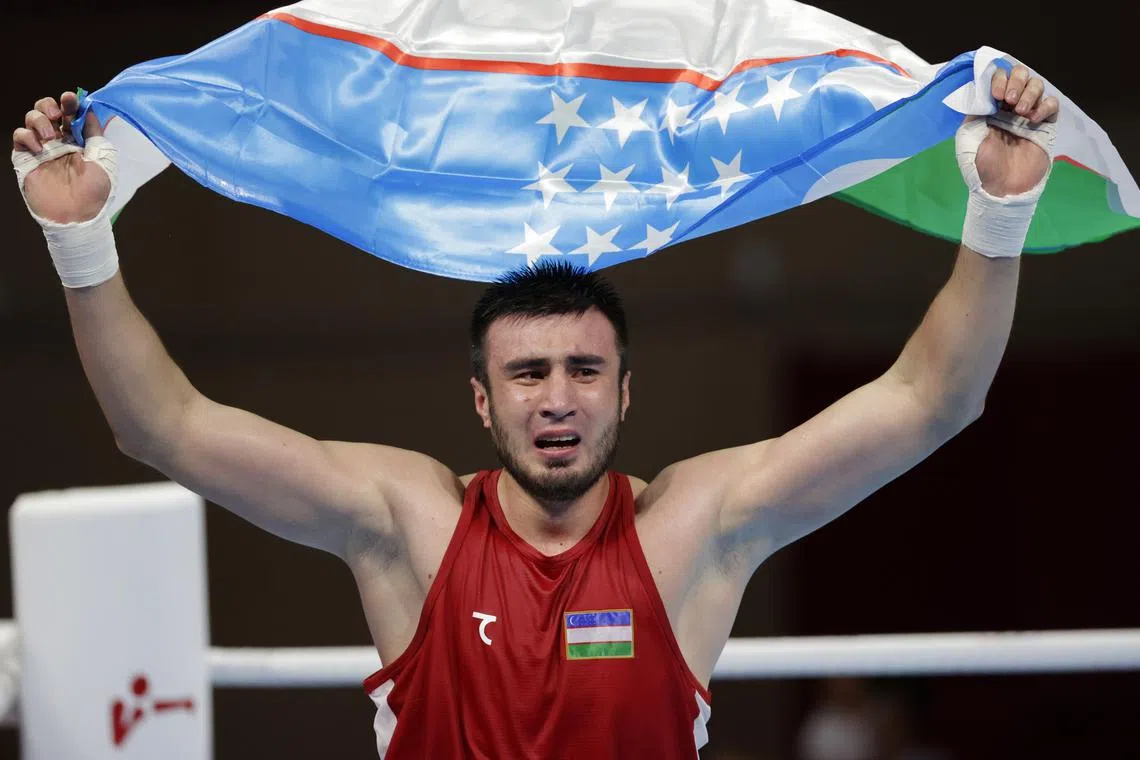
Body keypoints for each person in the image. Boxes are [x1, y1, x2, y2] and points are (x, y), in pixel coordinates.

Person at [11, 63, 1058, 758]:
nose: (558, 399)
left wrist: (999, 214)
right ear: (480, 400)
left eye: (584, 371)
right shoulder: (406, 521)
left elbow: (933, 399)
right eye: (526, 374)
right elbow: (164, 425)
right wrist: (81, 245)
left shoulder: (696, 525)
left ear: (625, 390)